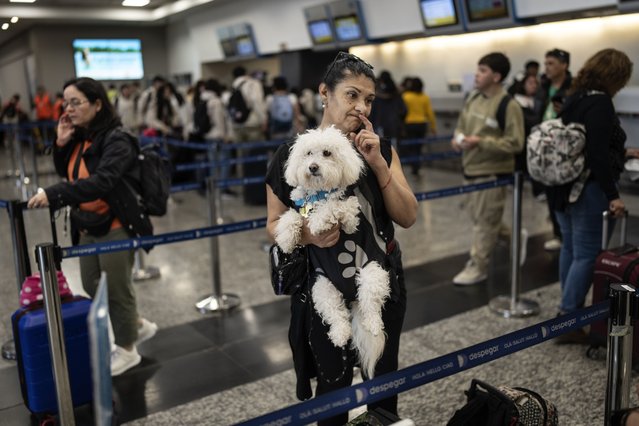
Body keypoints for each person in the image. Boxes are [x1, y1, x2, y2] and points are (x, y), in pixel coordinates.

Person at [265, 51, 418, 425]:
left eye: (368, 100)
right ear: (324, 93)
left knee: (382, 378)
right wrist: (310, 236)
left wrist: (379, 163)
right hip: (321, 284)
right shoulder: (291, 155)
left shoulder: (379, 149)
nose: (361, 107)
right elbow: (273, 223)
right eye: (352, 95)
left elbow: (408, 215)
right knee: (332, 383)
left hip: (380, 279)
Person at [26, 77, 158, 376]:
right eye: (66, 102)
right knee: (90, 283)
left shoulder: (117, 139)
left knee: (116, 289)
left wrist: (54, 193)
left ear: (97, 104)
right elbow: (70, 172)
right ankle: (135, 324)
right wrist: (60, 143)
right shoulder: (79, 135)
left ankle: (127, 349)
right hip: (86, 223)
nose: (68, 109)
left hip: (116, 223)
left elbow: (102, 182)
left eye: (76, 102)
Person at [548, 48, 633, 343]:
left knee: (571, 249)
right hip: (587, 190)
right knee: (586, 254)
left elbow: (583, 145)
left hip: (563, 187)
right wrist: (614, 195)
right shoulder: (600, 103)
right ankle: (569, 319)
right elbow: (596, 154)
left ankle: (566, 311)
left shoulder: (575, 98)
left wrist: (623, 151)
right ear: (616, 76)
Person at [450, 52, 525, 286]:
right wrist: (457, 139)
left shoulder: (508, 105)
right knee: (483, 219)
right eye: (478, 69)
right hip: (470, 169)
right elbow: (461, 127)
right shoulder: (473, 98)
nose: (477, 74)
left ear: (496, 76)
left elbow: (516, 142)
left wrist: (481, 142)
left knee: (483, 224)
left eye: (483, 70)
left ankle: (478, 266)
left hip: (492, 174)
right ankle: (514, 238)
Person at [536, 48, 573, 252]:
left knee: (564, 193)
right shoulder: (544, 87)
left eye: (551, 63)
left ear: (564, 65)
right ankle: (558, 233)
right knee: (550, 192)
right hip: (543, 147)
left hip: (564, 148)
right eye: (546, 63)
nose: (547, 68)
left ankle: (567, 233)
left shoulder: (573, 88)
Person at [401, 77, 437, 176]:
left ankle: (414, 166)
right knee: (418, 147)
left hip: (409, 124)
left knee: (411, 146)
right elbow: (430, 113)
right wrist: (433, 127)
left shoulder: (406, 96)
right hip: (422, 124)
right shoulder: (424, 97)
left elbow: (401, 113)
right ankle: (416, 166)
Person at [370, 70, 406, 149]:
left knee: (381, 148)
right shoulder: (396, 94)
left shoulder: (375, 95)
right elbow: (403, 110)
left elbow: (372, 112)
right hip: (394, 125)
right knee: (393, 149)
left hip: (379, 125)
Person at [265, 75, 303, 140]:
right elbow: (297, 115)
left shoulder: (269, 99)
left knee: (276, 148)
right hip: (289, 129)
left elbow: (266, 116)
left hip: (275, 130)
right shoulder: (292, 97)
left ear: (274, 86)